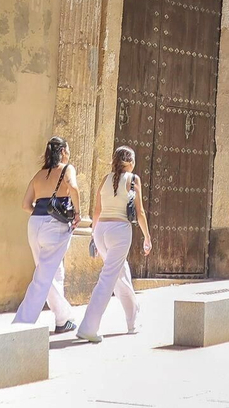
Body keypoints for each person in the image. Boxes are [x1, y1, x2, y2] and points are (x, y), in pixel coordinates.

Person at [76, 144, 152, 343]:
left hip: (101, 230)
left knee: (121, 274)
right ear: (131, 162)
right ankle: (88, 326)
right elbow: (140, 212)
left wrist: (94, 235)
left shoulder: (105, 179)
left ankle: (132, 320)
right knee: (108, 278)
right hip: (119, 231)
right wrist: (147, 237)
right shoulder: (134, 179)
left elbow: (97, 210)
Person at [12, 136, 79, 334]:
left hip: (35, 224)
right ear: (64, 151)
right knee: (43, 276)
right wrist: (78, 212)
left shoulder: (38, 174)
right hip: (55, 226)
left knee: (52, 271)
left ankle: (63, 318)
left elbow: (26, 205)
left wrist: (42, 210)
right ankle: (22, 323)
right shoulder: (67, 169)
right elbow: (73, 188)